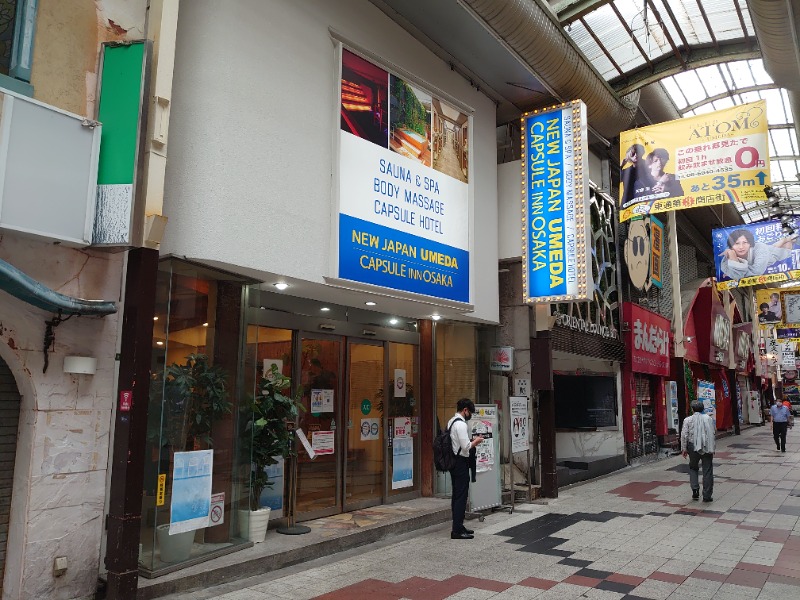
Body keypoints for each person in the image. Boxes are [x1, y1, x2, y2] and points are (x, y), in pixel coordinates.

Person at [447, 398, 484, 539]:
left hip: (453, 462)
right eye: (470, 413)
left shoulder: (451, 421)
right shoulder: (461, 425)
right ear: (465, 410)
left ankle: (458, 525)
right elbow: (466, 447)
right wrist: (476, 441)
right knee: (461, 496)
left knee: (457, 495)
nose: (470, 416)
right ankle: (457, 530)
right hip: (460, 463)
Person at [720, 229, 794, 280]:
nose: (741, 247)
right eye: (736, 243)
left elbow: (756, 272)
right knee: (771, 248)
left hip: (771, 254)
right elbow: (738, 274)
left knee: (786, 252)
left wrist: (733, 271)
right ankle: (785, 239)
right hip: (767, 250)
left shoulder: (760, 248)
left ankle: (787, 239)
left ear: (750, 243)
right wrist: (731, 256)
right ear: (731, 246)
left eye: (745, 242)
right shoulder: (724, 263)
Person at [681, 400, 716, 502]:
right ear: (703, 409)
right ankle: (707, 495)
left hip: (692, 447)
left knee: (693, 467)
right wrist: (713, 447)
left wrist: (684, 448)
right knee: (707, 470)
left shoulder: (687, 420)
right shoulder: (708, 419)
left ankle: (695, 490)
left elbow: (684, 435)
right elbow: (712, 434)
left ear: (692, 409)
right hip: (706, 446)